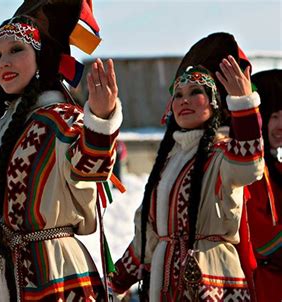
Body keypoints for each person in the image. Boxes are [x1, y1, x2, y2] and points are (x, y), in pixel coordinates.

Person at [0, 1, 122, 301]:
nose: (3, 62)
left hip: (57, 277)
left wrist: (101, 120)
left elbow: (90, 169)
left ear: (41, 56)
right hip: (3, 281)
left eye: (16, 50)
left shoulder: (61, 118)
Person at [111, 33, 264, 301]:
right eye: (178, 94)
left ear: (215, 101)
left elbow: (249, 166)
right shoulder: (167, 164)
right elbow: (145, 239)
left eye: (196, 93)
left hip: (213, 283)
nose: (185, 100)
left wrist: (243, 104)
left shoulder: (222, 154)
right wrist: (115, 283)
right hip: (165, 286)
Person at [245, 69, 282, 302]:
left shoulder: (277, 168)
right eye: (275, 116)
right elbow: (260, 236)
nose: (281, 125)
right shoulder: (252, 172)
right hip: (262, 286)